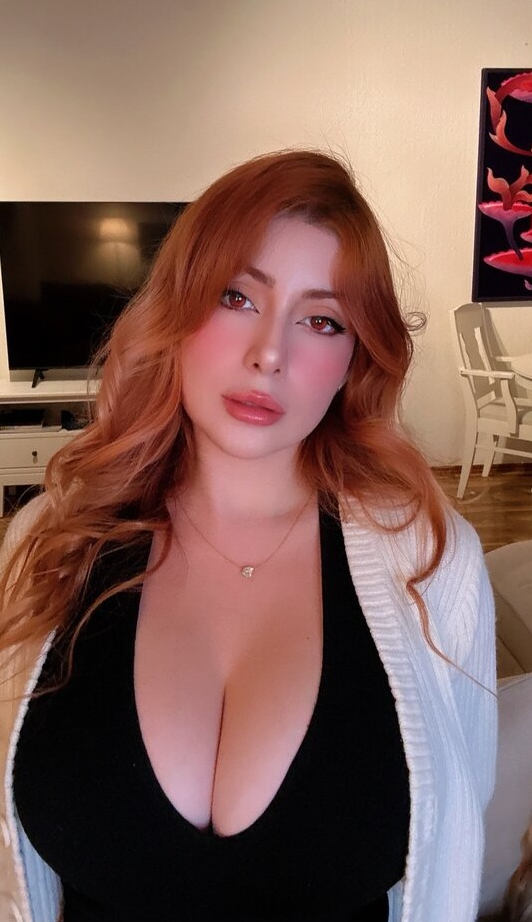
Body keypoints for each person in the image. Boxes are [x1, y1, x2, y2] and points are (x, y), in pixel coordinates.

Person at [0, 149, 497, 922]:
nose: (270, 352)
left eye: (321, 320)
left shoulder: (433, 561)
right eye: (235, 296)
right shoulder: (48, 543)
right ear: (174, 310)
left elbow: (452, 852)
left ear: (353, 357)